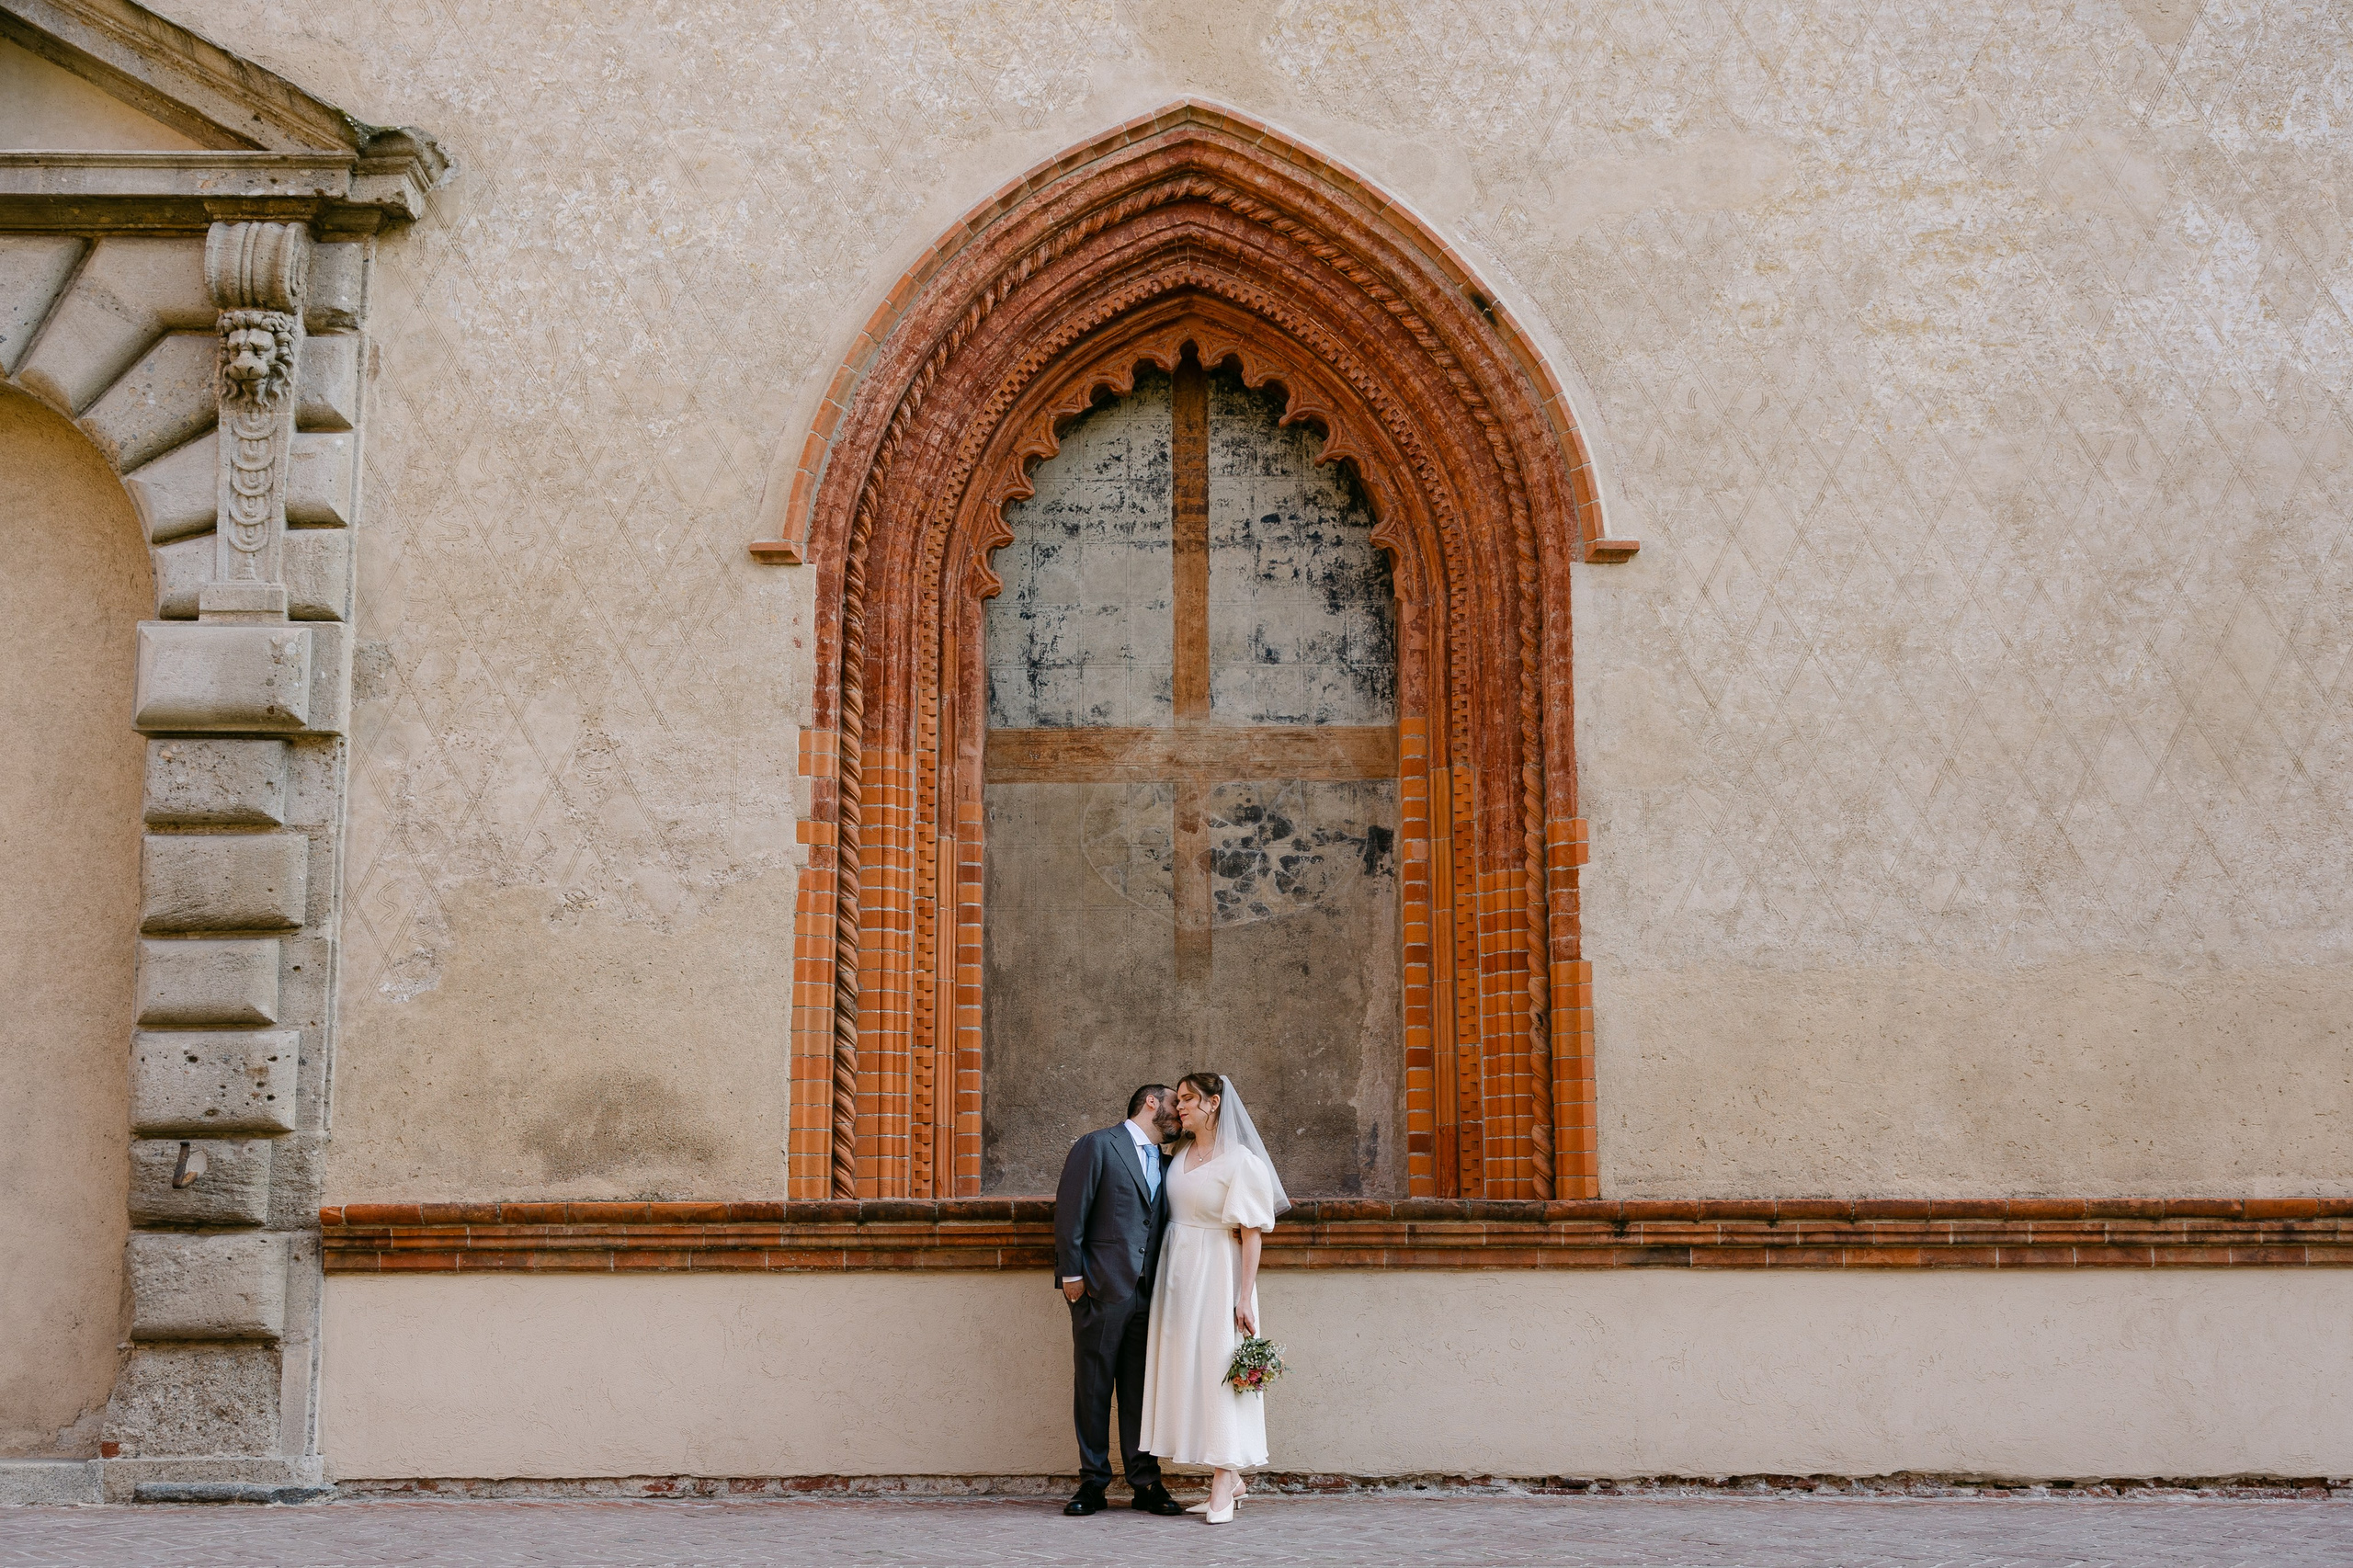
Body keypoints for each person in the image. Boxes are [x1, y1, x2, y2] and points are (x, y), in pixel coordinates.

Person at [1138, 1071, 1287, 1525]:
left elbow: (1251, 1233)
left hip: (1220, 1273)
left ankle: (1226, 1475)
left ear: (1214, 1103)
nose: (1177, 1107)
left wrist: (1244, 1296)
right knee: (1192, 1371)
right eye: (1178, 1100)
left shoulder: (1241, 1162)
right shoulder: (1178, 1154)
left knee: (1223, 1368)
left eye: (1187, 1100)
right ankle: (1227, 1476)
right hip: (1177, 1275)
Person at [1051, 1083, 1188, 1517]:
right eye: (1174, 1105)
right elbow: (1071, 1211)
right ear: (1152, 1102)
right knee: (1093, 1389)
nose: (1180, 1115)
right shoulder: (1098, 1145)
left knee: (1139, 1393)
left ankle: (1145, 1482)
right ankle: (1092, 1483)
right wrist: (1072, 1276)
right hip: (1100, 1289)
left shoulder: (1170, 1164)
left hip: (1150, 1295)